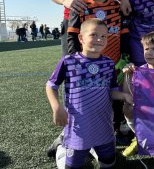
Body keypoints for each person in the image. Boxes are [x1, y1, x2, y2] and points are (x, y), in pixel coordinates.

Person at [45, 18, 134, 168]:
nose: (99, 39)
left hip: (103, 127)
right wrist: (56, 107)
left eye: (104, 36)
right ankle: (62, 146)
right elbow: (50, 85)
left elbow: (112, 92)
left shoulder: (108, 63)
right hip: (78, 129)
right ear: (81, 38)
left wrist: (125, 95)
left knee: (109, 164)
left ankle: (92, 148)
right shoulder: (68, 61)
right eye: (93, 35)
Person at [121, 31, 154, 157]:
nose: (149, 52)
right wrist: (127, 75)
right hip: (145, 111)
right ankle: (138, 137)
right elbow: (126, 94)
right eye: (146, 49)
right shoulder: (138, 71)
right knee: (127, 107)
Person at [67, 0, 129, 64]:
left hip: (114, 63)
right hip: (88, 63)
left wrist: (125, 55)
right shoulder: (79, 5)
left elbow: (124, 33)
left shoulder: (117, 6)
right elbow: (73, 35)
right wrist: (76, 59)